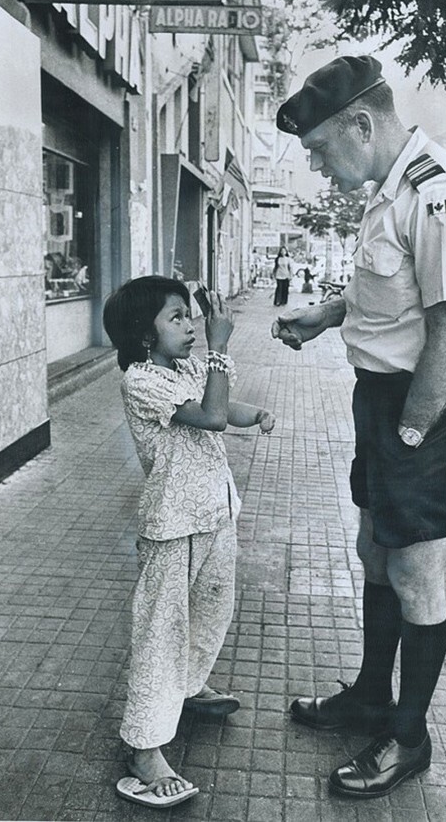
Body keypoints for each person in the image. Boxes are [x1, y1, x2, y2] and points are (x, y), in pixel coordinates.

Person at [272, 55, 446, 799]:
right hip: (385, 399)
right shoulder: (388, 191)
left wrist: (411, 434)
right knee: (376, 548)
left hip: (426, 405)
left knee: (414, 569)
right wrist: (329, 312)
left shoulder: (439, 195)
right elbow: (391, 293)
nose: (316, 163)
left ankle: (409, 737)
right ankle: (372, 692)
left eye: (320, 147)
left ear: (361, 124)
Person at [103, 276, 276, 809]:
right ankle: (144, 746)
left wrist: (258, 416)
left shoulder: (182, 368)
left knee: (209, 611)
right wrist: (221, 347)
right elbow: (211, 415)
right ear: (144, 335)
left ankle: (187, 687)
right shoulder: (141, 381)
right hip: (172, 525)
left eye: (188, 315)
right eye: (175, 317)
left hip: (215, 515)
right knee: (162, 629)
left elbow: (228, 405)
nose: (191, 326)